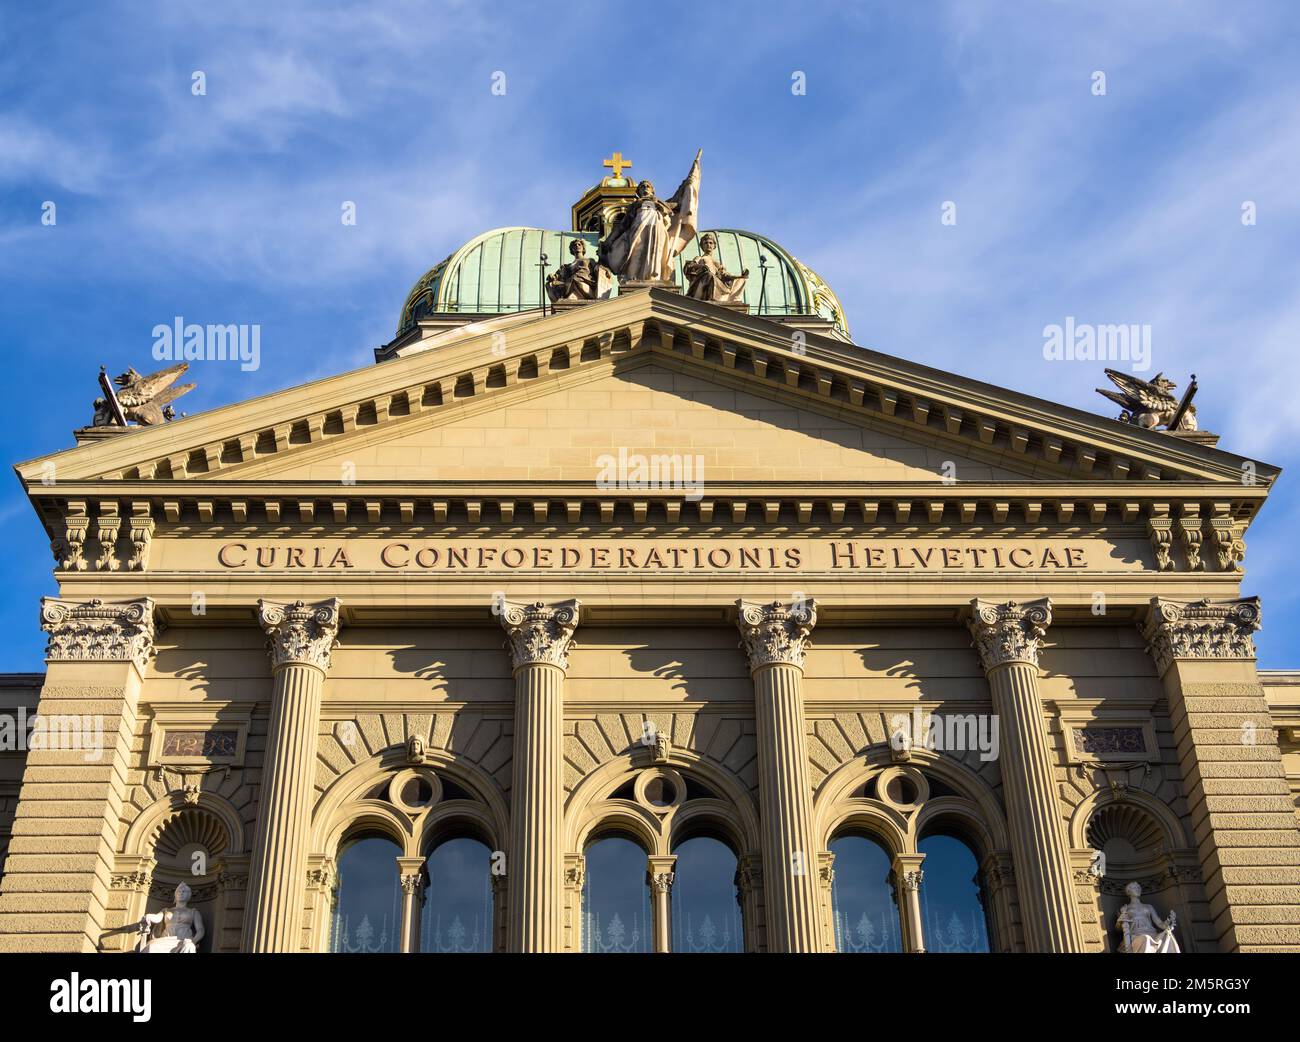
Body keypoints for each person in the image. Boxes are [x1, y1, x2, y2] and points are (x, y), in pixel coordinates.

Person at [138, 882, 205, 953]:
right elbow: (157, 918)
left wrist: (193, 941)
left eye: (184, 892)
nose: (181, 893)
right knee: (151, 946)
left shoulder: (193, 912)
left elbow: (200, 930)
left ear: (189, 895)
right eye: (179, 891)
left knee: (189, 947)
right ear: (175, 894)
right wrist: (149, 916)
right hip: (165, 940)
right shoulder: (166, 910)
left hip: (183, 940)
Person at [1116, 881, 1179, 953]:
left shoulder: (1149, 907)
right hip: (1136, 936)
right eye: (1134, 888)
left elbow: (1159, 923)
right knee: (1146, 938)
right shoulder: (1125, 908)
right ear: (1128, 892)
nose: (1137, 889)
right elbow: (1119, 928)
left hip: (1152, 934)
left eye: (1138, 888)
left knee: (1168, 936)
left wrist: (1168, 923)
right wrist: (1121, 919)